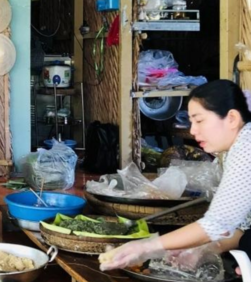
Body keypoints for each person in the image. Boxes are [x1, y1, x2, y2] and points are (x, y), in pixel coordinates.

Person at [100, 80, 251, 271]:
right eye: (191, 121)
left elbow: (216, 223)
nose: (193, 130)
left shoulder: (247, 147)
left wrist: (145, 247)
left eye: (199, 120)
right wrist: (205, 249)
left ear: (231, 118)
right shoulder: (232, 151)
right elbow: (237, 226)